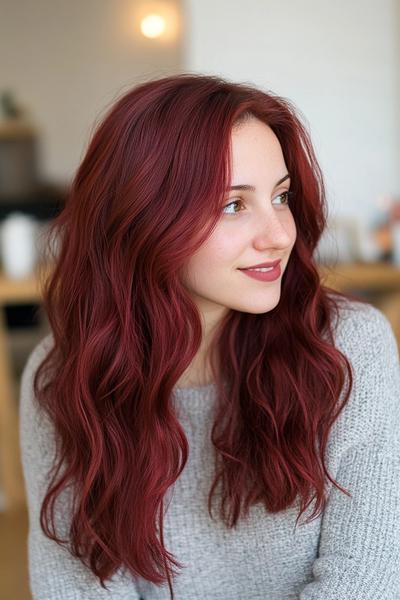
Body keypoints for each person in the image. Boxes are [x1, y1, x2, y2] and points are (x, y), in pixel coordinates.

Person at [19, 73, 400, 599]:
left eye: (282, 196)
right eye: (233, 205)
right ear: (143, 220)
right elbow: (77, 587)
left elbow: (368, 579)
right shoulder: (63, 377)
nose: (280, 235)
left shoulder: (348, 347)